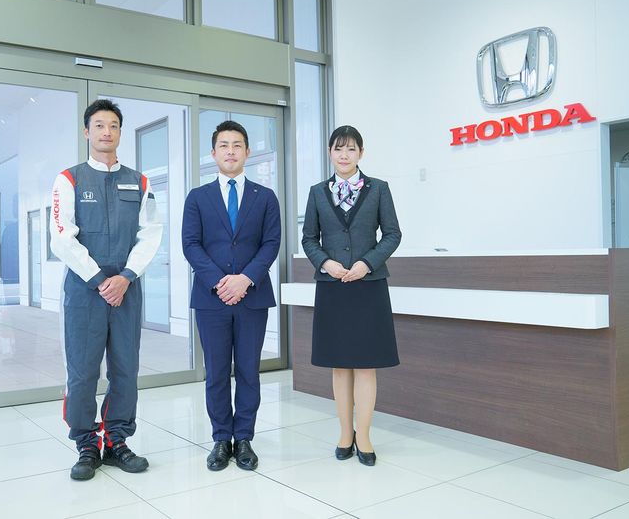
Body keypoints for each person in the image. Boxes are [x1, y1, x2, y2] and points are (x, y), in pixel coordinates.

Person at [50, 99, 162, 480]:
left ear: (120, 132)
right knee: (82, 371)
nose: (106, 132)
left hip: (126, 291)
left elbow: (151, 234)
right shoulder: (69, 180)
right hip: (86, 292)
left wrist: (126, 276)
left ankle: (116, 441)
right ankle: (86, 444)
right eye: (99, 125)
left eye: (113, 125)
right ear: (87, 132)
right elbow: (62, 238)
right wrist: (100, 279)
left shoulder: (140, 182)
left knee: (126, 369)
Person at [182, 120, 281, 472]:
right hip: (211, 299)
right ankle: (221, 439)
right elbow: (190, 245)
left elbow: (271, 243)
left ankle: (245, 438)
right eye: (224, 145)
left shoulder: (265, 197)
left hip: (253, 298)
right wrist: (221, 282)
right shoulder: (198, 198)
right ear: (213, 153)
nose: (230, 151)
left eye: (237, 145)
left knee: (250, 371)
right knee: (217, 372)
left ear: (247, 152)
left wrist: (246, 280)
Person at [301, 125, 401, 466]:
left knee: (366, 365)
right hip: (332, 287)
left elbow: (392, 234)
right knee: (340, 365)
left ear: (361, 153)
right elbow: (309, 238)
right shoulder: (317, 192)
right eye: (338, 149)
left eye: (351, 149)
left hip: (368, 285)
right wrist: (325, 263)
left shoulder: (378, 189)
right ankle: (346, 434)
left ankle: (366, 436)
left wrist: (367, 263)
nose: (344, 155)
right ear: (330, 152)